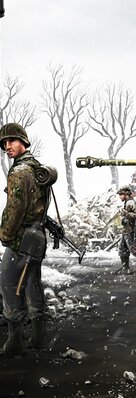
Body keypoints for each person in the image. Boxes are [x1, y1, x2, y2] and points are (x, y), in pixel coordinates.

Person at [0, 123, 56, 355]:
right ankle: (39, 337)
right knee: (33, 284)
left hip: (21, 238)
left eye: (11, 141)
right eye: (4, 143)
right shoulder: (37, 169)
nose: (7, 146)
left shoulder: (20, 172)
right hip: (36, 237)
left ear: (23, 141)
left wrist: (5, 234)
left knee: (9, 284)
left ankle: (15, 342)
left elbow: (16, 207)